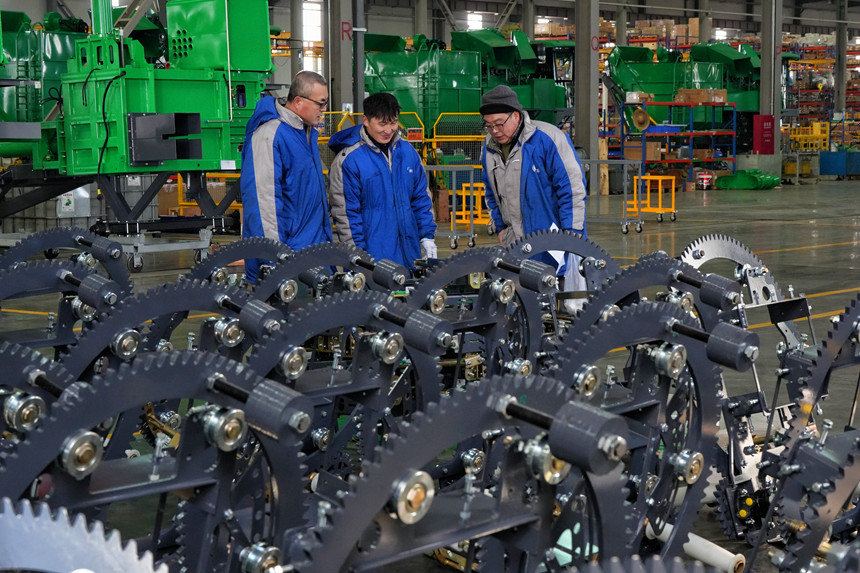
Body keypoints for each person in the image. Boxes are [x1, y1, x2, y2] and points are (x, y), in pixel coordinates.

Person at [479, 84, 588, 310]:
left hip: (555, 241)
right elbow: (491, 192)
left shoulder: (548, 139)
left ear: (516, 116)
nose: (495, 131)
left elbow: (572, 188)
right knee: (526, 307)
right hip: (516, 243)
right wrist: (500, 227)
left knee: (566, 307)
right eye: (489, 126)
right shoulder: (488, 150)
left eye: (499, 124)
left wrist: (572, 233)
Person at [240, 70, 333, 284]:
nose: (324, 110)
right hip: (286, 261)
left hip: (311, 253)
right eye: (321, 103)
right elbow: (264, 206)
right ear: (299, 101)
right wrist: (275, 262)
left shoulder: (306, 133)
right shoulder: (270, 135)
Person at [328, 92, 437, 270]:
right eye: (382, 124)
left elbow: (420, 198)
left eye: (393, 123)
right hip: (373, 258)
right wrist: (358, 258)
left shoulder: (408, 153)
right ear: (366, 120)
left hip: (409, 255)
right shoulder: (349, 160)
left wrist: (427, 236)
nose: (388, 130)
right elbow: (346, 215)